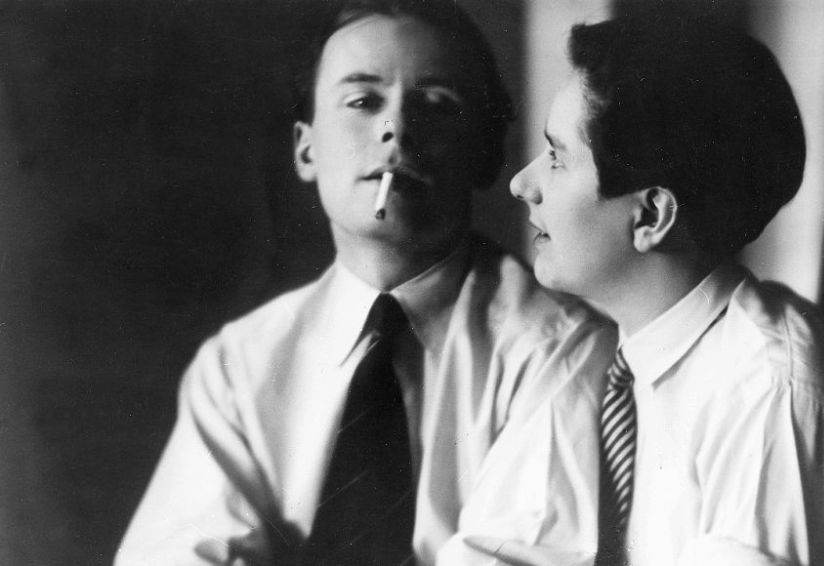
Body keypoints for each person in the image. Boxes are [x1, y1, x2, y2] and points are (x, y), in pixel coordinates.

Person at [115, 1, 616, 564]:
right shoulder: (240, 364)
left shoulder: (555, 347)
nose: (395, 128)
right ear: (306, 149)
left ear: (484, 153)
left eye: (435, 104)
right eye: (362, 102)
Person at [478, 11, 824, 566]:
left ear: (652, 216)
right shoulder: (614, 360)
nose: (523, 183)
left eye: (557, 157)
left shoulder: (774, 400)